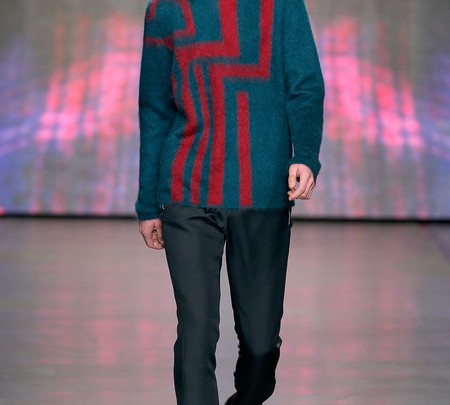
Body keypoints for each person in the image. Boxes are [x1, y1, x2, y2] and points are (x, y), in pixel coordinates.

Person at [136, 0, 324, 403]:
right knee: (196, 330)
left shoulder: (282, 5)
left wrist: (306, 154)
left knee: (260, 346)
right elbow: (155, 108)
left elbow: (305, 83)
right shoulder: (165, 9)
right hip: (188, 191)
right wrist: (148, 202)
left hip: (263, 192)